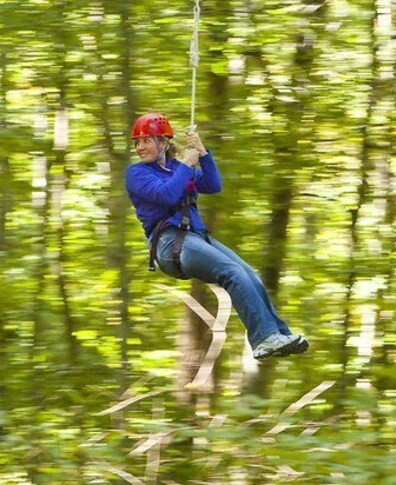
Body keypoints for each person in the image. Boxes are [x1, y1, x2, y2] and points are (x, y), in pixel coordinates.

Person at [125, 112, 309, 360]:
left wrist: (203, 154)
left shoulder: (179, 169)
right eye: (137, 142)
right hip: (170, 244)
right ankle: (263, 339)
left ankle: (278, 334)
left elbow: (213, 185)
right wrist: (188, 165)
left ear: (164, 143)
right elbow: (166, 195)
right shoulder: (137, 174)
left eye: (146, 140)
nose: (140, 147)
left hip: (194, 237)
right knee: (232, 273)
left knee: (248, 274)